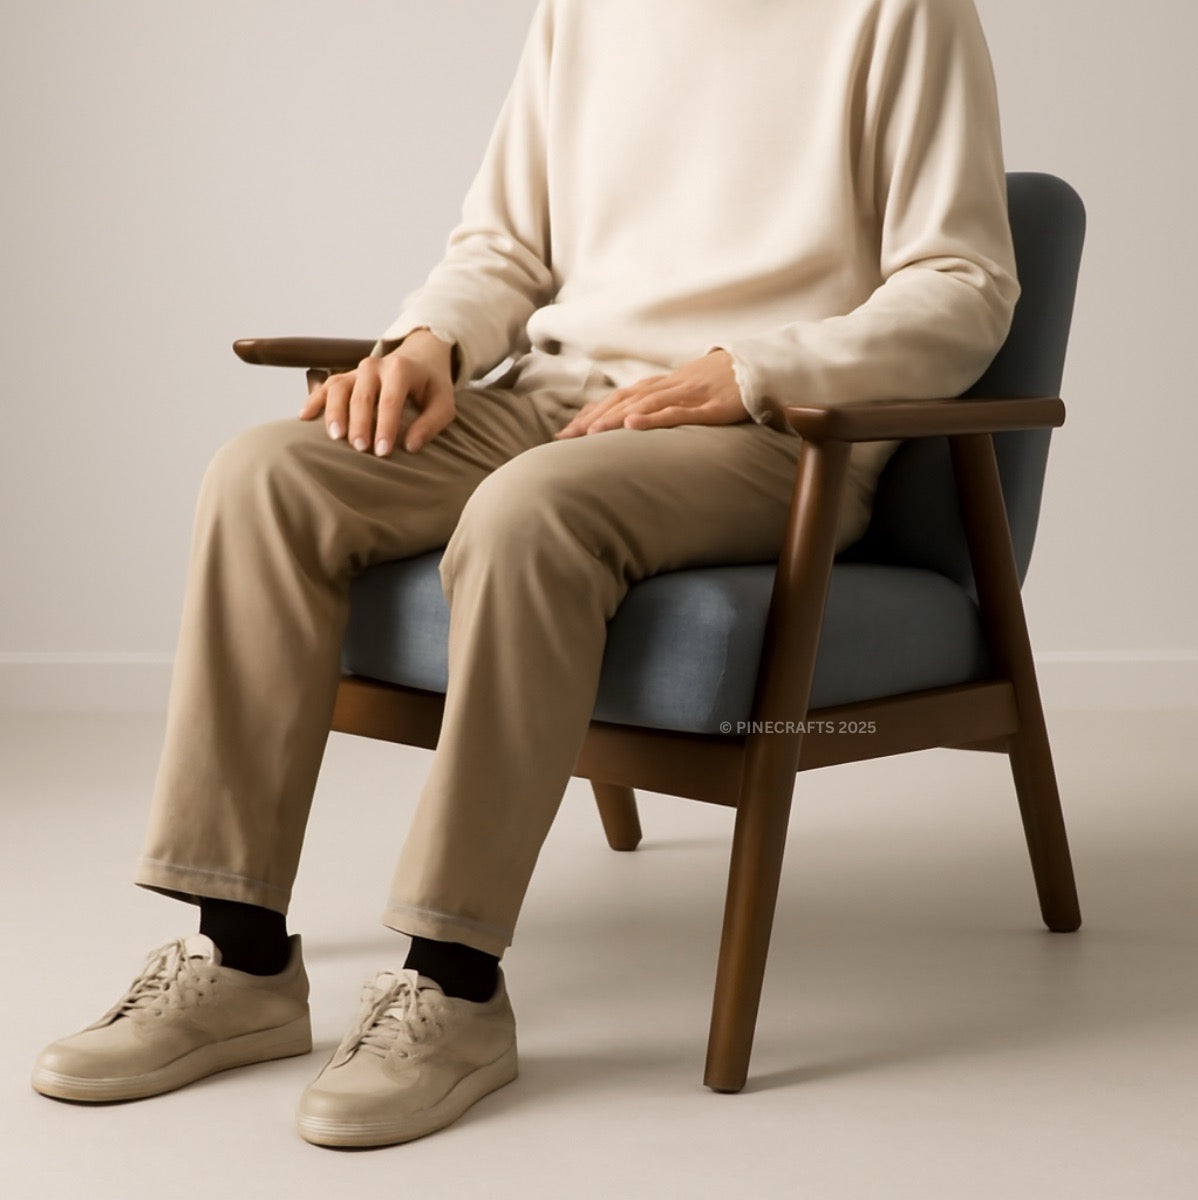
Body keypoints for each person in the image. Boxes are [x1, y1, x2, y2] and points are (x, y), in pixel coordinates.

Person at [31, 0, 1020, 1147]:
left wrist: (747, 366)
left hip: (772, 431)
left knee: (527, 512)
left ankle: (453, 986)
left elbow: (963, 283)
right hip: (560, 396)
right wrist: (429, 345)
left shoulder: (902, 12)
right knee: (266, 475)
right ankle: (237, 955)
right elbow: (504, 248)